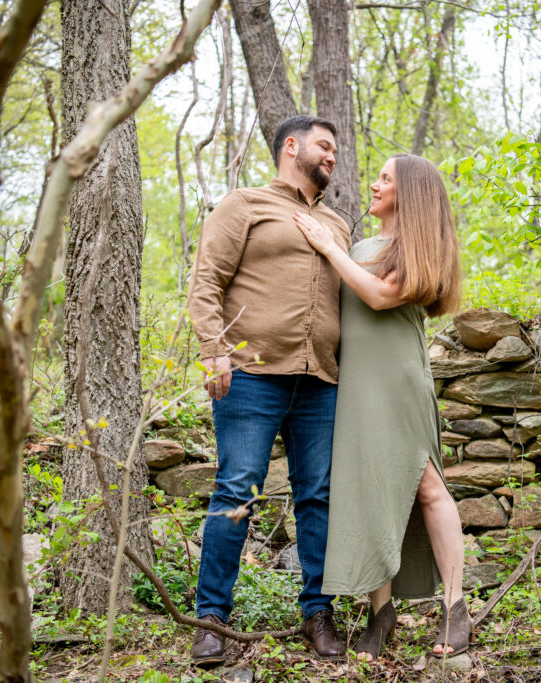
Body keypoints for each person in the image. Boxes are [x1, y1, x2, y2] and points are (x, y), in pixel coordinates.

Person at [186, 115, 352, 666]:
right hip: (251, 375)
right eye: (324, 146)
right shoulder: (244, 205)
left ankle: (318, 615)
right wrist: (214, 350)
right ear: (291, 146)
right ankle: (211, 620)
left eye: (335, 150)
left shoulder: (338, 223)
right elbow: (206, 279)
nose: (332, 156)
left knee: (319, 497)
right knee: (237, 490)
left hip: (322, 382)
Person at [293, 153, 469, 661]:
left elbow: (376, 295)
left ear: (408, 194)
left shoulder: (416, 249)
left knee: (427, 486)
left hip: (398, 381)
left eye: (385, 180)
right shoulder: (363, 244)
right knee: (370, 490)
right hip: (356, 384)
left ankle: (456, 609)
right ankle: (381, 613)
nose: (374, 185)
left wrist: (328, 245)